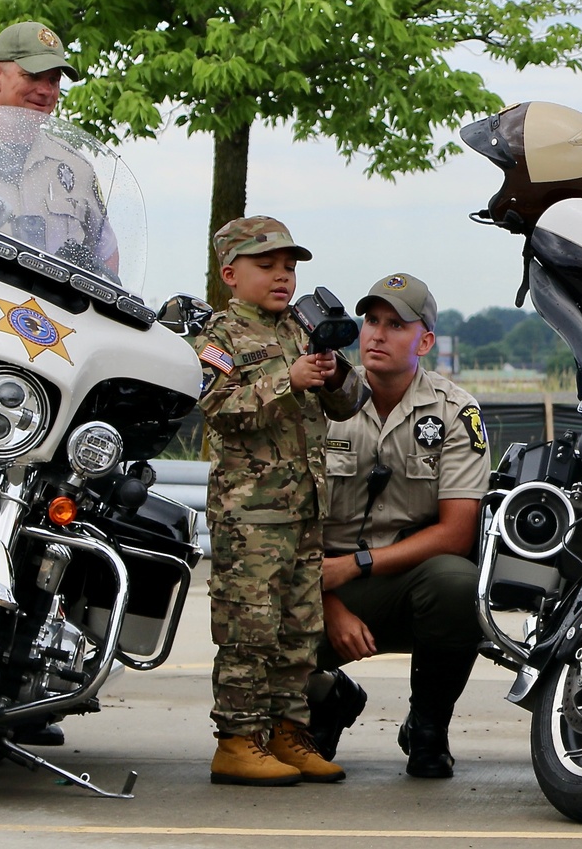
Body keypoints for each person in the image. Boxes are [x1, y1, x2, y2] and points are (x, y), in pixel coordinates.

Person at [195, 216, 368, 787]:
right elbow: (218, 408)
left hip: (304, 510)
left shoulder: (299, 327)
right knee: (250, 631)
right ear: (229, 274)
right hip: (251, 516)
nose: (282, 277)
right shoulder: (216, 337)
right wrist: (284, 380)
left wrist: (334, 374)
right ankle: (239, 740)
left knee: (299, 631)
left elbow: (345, 407)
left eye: (289, 267)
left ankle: (289, 733)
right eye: (266, 265)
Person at [308, 273, 490, 779]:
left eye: (396, 324)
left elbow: (457, 532)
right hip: (319, 582)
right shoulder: (320, 400)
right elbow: (286, 526)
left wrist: (356, 565)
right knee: (244, 637)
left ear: (425, 341)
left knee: (458, 583)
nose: (377, 335)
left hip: (406, 581)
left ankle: (428, 727)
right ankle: (329, 699)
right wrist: (331, 602)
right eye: (370, 321)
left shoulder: (455, 412)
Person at [0, 21, 118, 274]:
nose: (45, 91)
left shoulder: (76, 167)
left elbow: (106, 257)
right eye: (32, 76)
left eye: (53, 80)